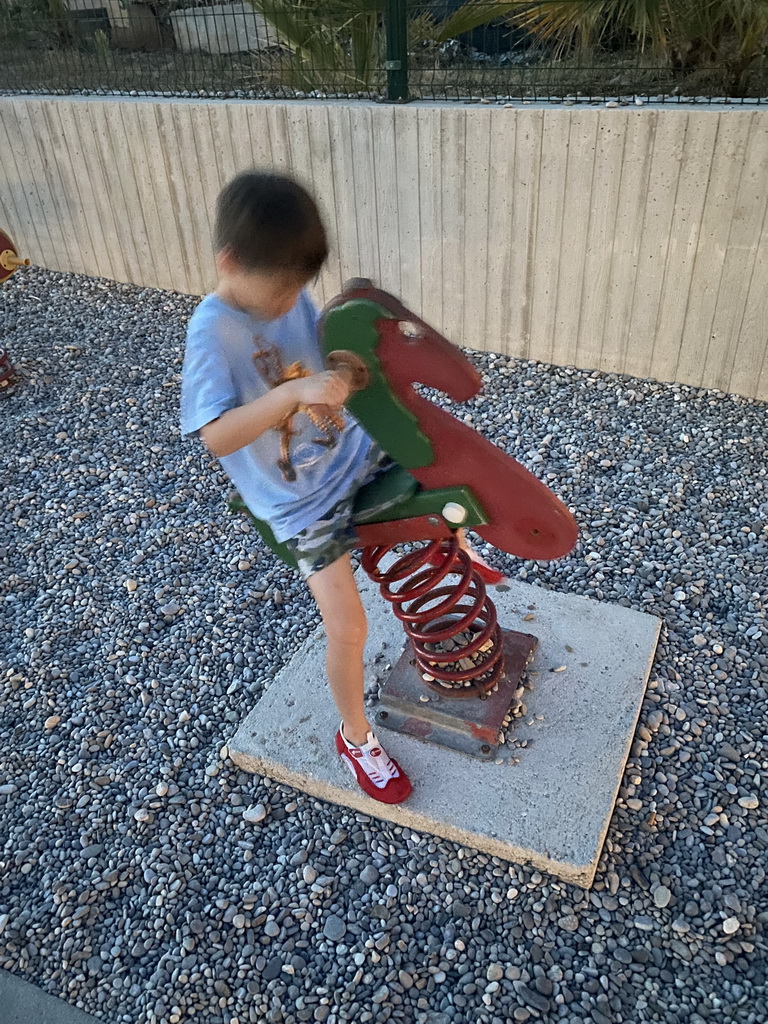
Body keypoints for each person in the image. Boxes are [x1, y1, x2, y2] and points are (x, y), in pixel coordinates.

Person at [180, 170, 501, 805]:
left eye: (300, 287)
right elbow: (215, 437)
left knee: (437, 465)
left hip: (350, 454)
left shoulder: (288, 292)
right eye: (280, 291)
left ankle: (456, 553)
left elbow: (324, 354)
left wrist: (338, 378)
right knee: (348, 626)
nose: (290, 301)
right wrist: (293, 393)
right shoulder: (211, 333)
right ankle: (356, 737)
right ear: (229, 263)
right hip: (300, 502)